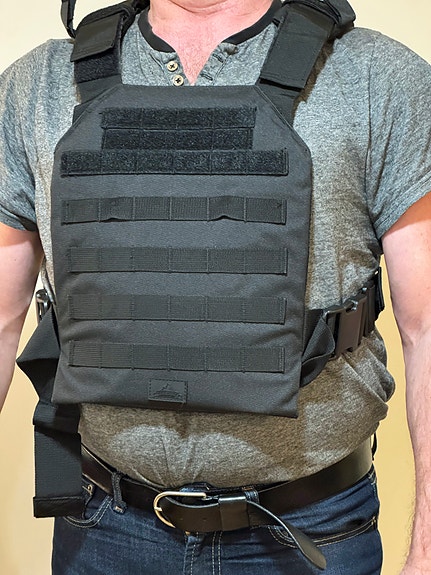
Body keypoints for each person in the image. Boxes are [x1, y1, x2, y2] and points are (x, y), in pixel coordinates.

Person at [0, 0, 430, 573]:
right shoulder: (38, 85)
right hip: (103, 526)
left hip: (311, 529)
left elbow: (426, 328)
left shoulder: (378, 77)